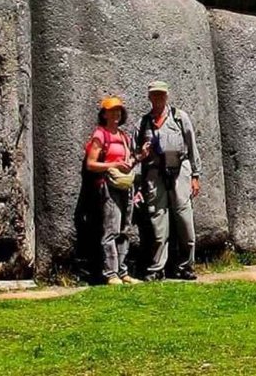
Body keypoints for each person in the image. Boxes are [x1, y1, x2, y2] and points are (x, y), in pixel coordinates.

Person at [136, 81, 201, 281]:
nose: (158, 98)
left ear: (167, 96)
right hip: (154, 174)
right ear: (149, 97)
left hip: (180, 171)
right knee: (158, 222)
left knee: (184, 219)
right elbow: (136, 155)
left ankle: (185, 266)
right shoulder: (143, 123)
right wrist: (138, 183)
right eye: (154, 95)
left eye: (161, 95)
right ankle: (157, 268)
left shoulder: (180, 118)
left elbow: (191, 146)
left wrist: (195, 175)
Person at [82, 96, 140, 286]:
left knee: (125, 229)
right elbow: (91, 164)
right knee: (111, 229)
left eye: (119, 111)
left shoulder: (124, 137)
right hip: (108, 186)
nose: (116, 114)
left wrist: (139, 157)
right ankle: (110, 273)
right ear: (104, 114)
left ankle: (123, 272)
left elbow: (129, 162)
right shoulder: (101, 135)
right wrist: (113, 164)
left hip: (125, 185)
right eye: (112, 110)